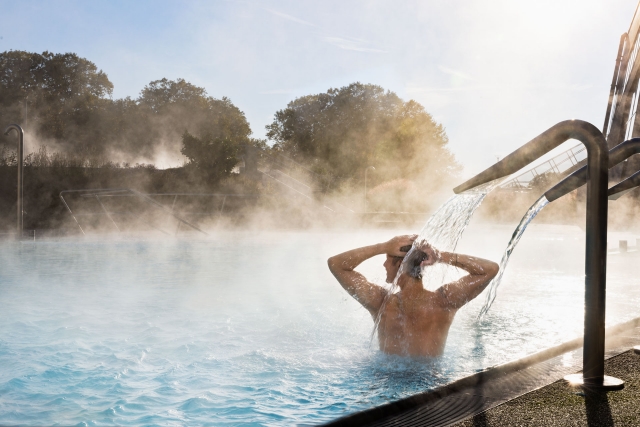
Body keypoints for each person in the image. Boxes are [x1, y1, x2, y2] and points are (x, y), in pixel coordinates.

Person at [327, 235, 499, 357]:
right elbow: (489, 270)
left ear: (400, 265)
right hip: (430, 385)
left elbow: (336, 264)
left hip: (387, 383)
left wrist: (382, 247)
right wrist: (440, 256)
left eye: (388, 259)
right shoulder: (444, 301)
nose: (384, 264)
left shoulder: (380, 302)